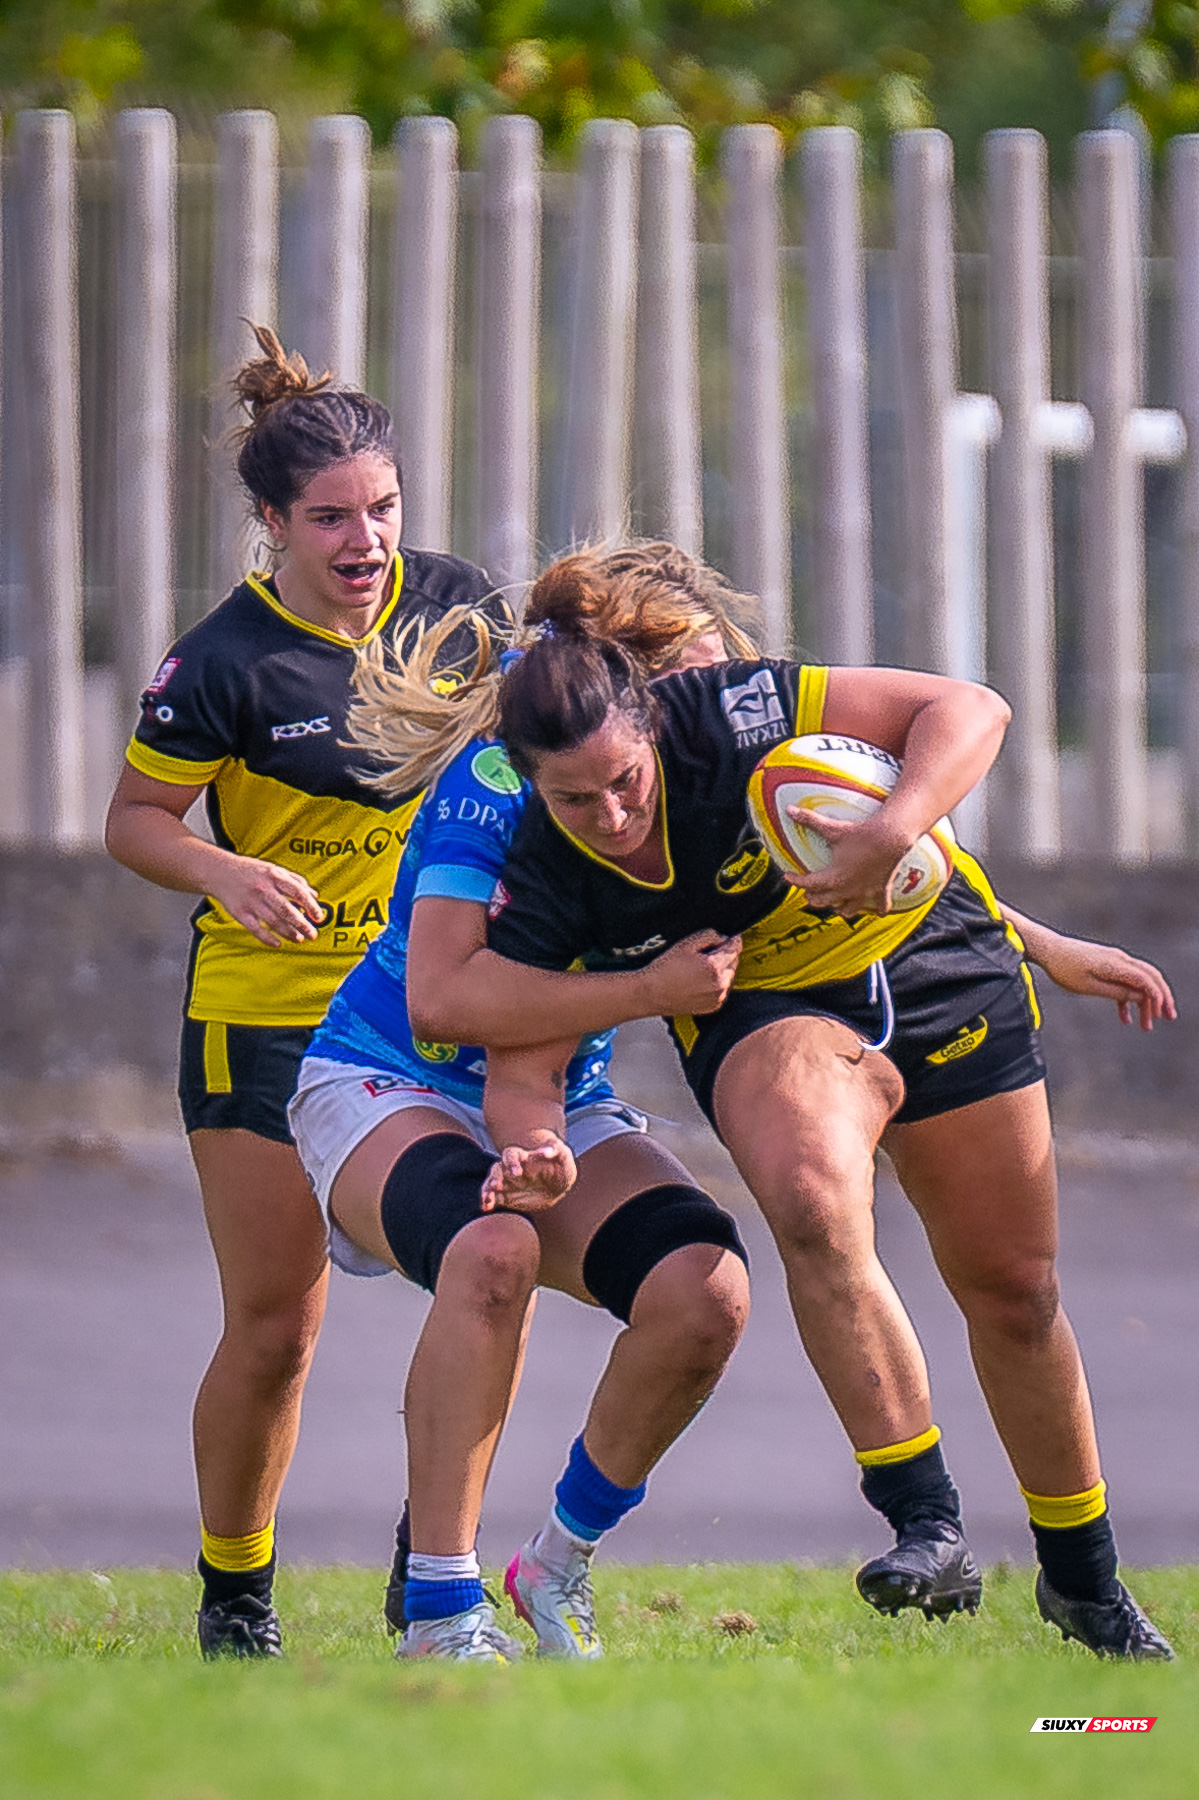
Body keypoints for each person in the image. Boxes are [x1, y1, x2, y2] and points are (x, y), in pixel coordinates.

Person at [371, 543, 1173, 1662]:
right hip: (770, 1013)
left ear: (657, 713)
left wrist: (1028, 934)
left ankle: (1082, 1581)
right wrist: (542, 1133)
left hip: (942, 964)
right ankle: (923, 1519)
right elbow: (495, 1033)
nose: (607, 812)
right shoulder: (538, 846)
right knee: (806, 1196)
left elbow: (945, 745)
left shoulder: (733, 719)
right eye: (575, 795)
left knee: (1015, 1288)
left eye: (625, 782)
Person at [104, 326, 507, 1660]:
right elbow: (135, 821)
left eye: (382, 508)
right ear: (271, 520)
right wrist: (223, 869)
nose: (364, 539)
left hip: (432, 1010)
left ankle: (426, 1564)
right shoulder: (224, 659)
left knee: (481, 1271)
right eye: (329, 516)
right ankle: (236, 1597)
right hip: (266, 1022)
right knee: (277, 1328)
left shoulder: (460, 613)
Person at [286, 595, 757, 1661]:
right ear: (630, 685)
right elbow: (441, 1006)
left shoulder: (688, 781)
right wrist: (646, 991)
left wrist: (1033, 943)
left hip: (548, 1095)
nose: (713, 705)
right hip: (384, 1081)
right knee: (491, 1248)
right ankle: (442, 1612)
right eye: (696, 680)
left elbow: (871, 849)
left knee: (703, 1293)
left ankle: (554, 1566)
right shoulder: (498, 785)